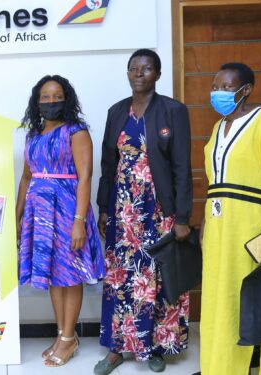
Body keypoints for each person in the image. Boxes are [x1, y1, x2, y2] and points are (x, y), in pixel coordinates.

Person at [94, 49, 192, 375]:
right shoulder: (116, 111)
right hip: (123, 212)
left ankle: (156, 347)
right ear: (128, 74)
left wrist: (182, 217)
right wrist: (103, 209)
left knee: (157, 279)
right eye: (133, 68)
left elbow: (181, 166)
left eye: (146, 68)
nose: (139, 73)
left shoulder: (173, 111)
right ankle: (118, 348)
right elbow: (108, 165)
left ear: (157, 74)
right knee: (122, 279)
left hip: (158, 209)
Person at [196, 62, 261, 375]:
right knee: (217, 301)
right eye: (215, 86)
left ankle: (255, 369)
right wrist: (204, 221)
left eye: (226, 87)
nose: (218, 92)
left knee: (253, 301)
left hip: (253, 227)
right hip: (219, 230)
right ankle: (218, 367)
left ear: (246, 89)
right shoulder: (217, 127)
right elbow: (214, 182)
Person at [16, 74, 105, 367]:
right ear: (36, 101)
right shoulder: (33, 135)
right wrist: (18, 218)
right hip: (40, 214)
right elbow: (27, 178)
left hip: (67, 211)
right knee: (54, 275)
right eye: (45, 97)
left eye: (57, 96)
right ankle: (62, 334)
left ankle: (68, 338)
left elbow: (85, 177)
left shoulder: (76, 132)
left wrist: (79, 221)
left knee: (71, 274)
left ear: (66, 99)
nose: (51, 101)